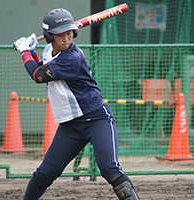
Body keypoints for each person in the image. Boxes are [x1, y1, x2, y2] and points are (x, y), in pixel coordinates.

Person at [13, 8, 140, 200]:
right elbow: (43, 68)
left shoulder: (72, 57)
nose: (66, 38)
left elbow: (38, 76)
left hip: (96, 119)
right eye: (60, 34)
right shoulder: (48, 51)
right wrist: (33, 52)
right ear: (49, 36)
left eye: (69, 32)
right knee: (45, 173)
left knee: (109, 168)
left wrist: (24, 53)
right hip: (70, 126)